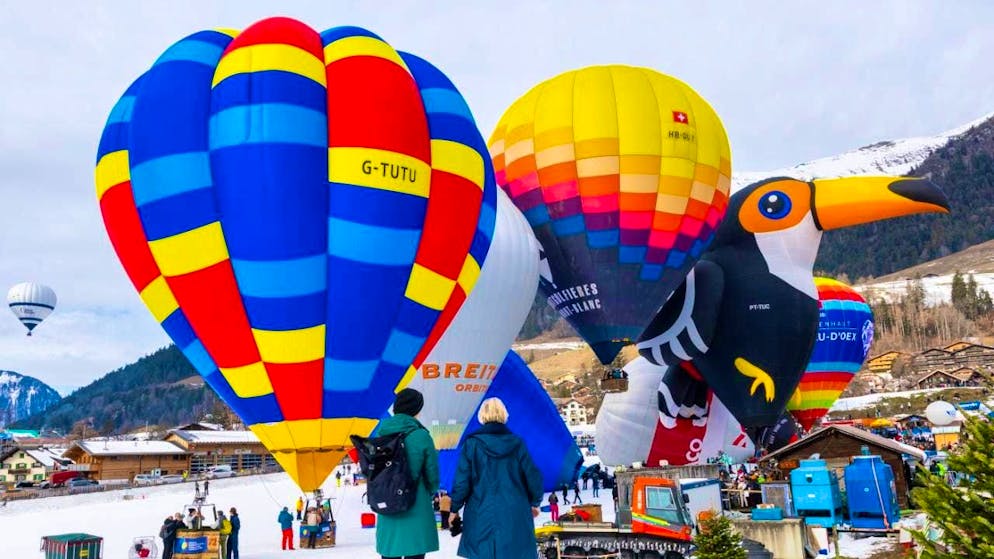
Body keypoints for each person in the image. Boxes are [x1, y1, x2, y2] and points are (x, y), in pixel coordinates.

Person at [449, 397, 543, 559]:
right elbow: (533, 476)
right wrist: (535, 502)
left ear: (482, 416)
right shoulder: (517, 443)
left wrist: (454, 509)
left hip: (480, 512)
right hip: (514, 512)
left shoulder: (472, 444)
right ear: (504, 415)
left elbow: (462, 481)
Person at [375, 388, 440, 559]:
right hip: (416, 504)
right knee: (415, 552)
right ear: (416, 409)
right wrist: (430, 491)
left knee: (390, 552)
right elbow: (433, 475)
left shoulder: (381, 435)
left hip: (387, 505)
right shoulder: (421, 436)